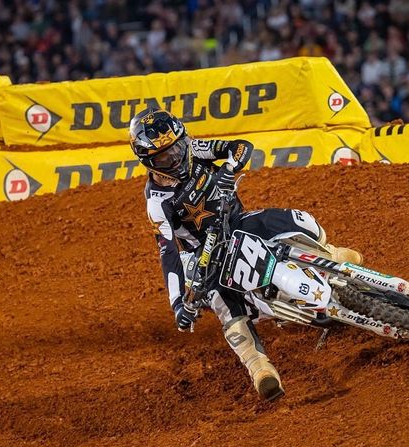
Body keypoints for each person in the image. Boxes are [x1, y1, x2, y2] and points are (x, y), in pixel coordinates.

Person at [129, 108, 363, 401]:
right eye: (166, 156)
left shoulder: (195, 149)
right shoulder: (157, 202)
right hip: (202, 253)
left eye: (178, 146)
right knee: (220, 300)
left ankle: (331, 255)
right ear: (149, 161)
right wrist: (178, 303)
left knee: (300, 221)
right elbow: (168, 253)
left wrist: (228, 169)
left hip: (235, 223)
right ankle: (260, 368)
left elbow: (241, 147)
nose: (177, 157)